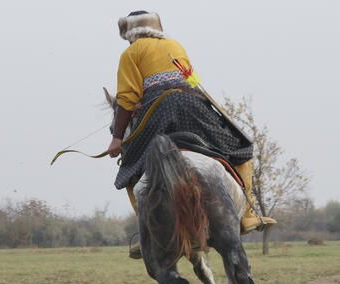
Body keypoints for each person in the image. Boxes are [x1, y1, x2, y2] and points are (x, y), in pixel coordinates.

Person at [108, 11, 275, 258]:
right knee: (240, 148)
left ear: (129, 33)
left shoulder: (130, 54)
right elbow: (192, 79)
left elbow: (127, 97)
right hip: (193, 105)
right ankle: (249, 214)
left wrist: (118, 137)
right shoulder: (175, 45)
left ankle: (148, 232)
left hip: (159, 112)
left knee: (131, 166)